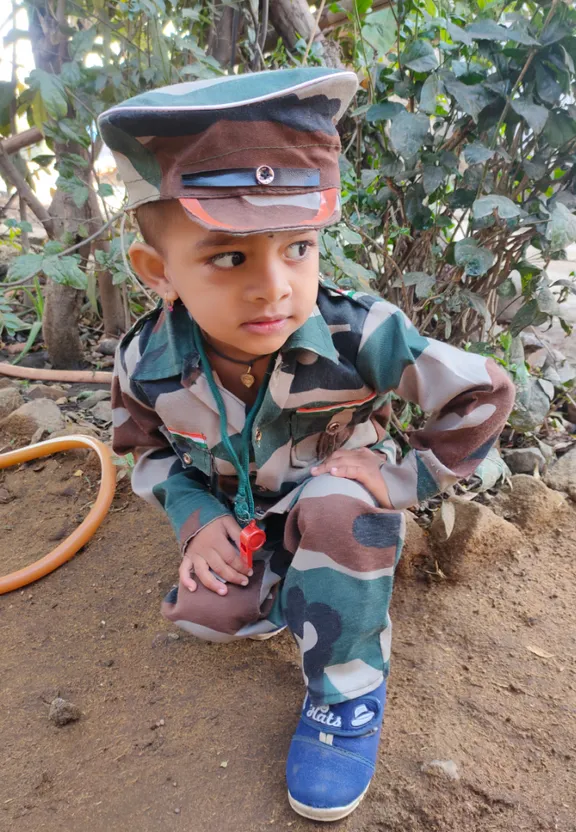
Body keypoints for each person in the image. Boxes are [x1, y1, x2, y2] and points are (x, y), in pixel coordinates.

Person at [100, 68, 515, 822]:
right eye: (229, 257)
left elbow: (482, 392)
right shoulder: (146, 361)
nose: (274, 287)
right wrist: (197, 520)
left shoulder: (361, 331)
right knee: (205, 614)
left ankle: (347, 692)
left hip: (335, 498)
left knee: (334, 512)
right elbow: (148, 452)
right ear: (159, 272)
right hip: (246, 510)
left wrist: (405, 481)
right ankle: (301, 582)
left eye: (298, 247)